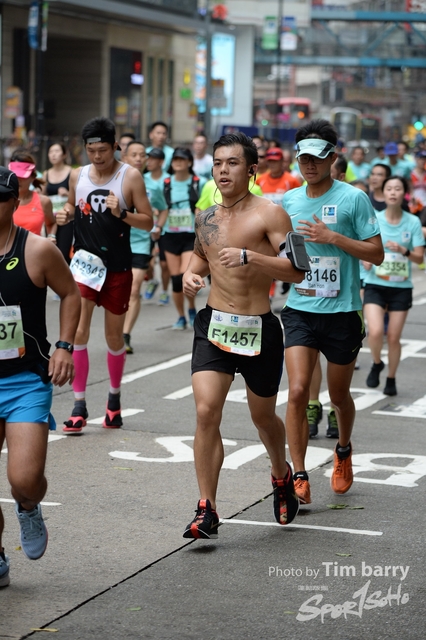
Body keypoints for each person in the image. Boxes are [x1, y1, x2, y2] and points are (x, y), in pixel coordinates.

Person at [181, 132, 306, 539]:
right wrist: (189, 275)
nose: (223, 171)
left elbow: (297, 270)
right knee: (206, 411)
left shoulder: (271, 214)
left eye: (232, 163)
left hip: (258, 329)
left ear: (251, 169)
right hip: (214, 325)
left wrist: (250, 256)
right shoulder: (206, 217)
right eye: (218, 163)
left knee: (262, 417)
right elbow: (200, 257)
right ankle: (207, 508)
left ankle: (281, 474)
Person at [280, 119, 383, 506]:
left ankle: (343, 449)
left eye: (317, 158)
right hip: (300, 309)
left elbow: (376, 253)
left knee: (339, 395)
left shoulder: (353, 198)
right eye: (304, 158)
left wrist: (333, 237)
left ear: (332, 158)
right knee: (297, 391)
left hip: (342, 312)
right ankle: (299, 473)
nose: (310, 165)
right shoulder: (288, 201)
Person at [0, 166, 80, 587]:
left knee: (25, 481)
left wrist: (64, 346)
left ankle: (29, 508)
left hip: (25, 381)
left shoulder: (37, 250)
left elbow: (70, 293)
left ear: (15, 201)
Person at [56, 117, 153, 433]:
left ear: (115, 147)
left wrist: (121, 213)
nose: (97, 157)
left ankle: (113, 400)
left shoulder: (130, 176)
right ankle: (79, 405)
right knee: (79, 332)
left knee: (114, 337)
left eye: (103, 150)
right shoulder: (78, 175)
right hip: (85, 265)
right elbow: (71, 206)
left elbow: (148, 221)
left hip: (117, 268)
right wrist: (66, 214)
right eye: (91, 151)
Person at [363, 176, 424, 396]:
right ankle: (377, 362)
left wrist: (403, 250)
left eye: (398, 189)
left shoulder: (413, 222)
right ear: (384, 192)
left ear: (404, 194)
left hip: (401, 288)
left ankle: (391, 378)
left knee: (393, 337)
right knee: (375, 331)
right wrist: (366, 259)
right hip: (375, 284)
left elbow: (419, 257)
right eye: (389, 188)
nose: (393, 192)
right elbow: (364, 247)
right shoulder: (375, 219)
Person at [121, 141, 168, 354]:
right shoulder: (115, 181)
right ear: (125, 157)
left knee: (134, 289)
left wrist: (158, 226)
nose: (139, 159)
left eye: (142, 155)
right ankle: (115, 330)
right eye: (134, 155)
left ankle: (125, 335)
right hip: (117, 242)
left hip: (141, 243)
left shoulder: (153, 185)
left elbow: (163, 209)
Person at [162, 147, 206, 330]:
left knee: (183, 276)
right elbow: (157, 206)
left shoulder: (199, 182)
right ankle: (181, 316)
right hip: (170, 235)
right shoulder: (165, 183)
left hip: (190, 235)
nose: (178, 162)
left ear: (189, 162)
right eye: (175, 159)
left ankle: (191, 307)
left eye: (182, 159)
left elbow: (206, 204)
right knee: (175, 280)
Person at [143, 148, 171, 305]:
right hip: (146, 226)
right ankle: (152, 280)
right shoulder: (142, 178)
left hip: (165, 226)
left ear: (161, 162)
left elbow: (168, 204)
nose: (149, 161)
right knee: (146, 261)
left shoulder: (169, 179)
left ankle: (165, 292)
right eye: (148, 158)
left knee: (164, 263)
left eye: (153, 159)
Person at [8, 151, 56, 241]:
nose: (18, 180)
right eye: (15, 175)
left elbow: (51, 223)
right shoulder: (3, 201)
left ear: (32, 177)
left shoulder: (43, 201)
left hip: (34, 249)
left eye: (23, 176)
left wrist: (51, 236)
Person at [42, 142, 73, 264]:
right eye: (51, 152)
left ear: (64, 154)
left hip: (66, 217)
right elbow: (42, 195)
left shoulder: (72, 172)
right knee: (50, 250)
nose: (53, 154)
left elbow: (79, 196)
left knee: (64, 252)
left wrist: (67, 193)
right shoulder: (46, 174)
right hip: (50, 218)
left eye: (57, 151)